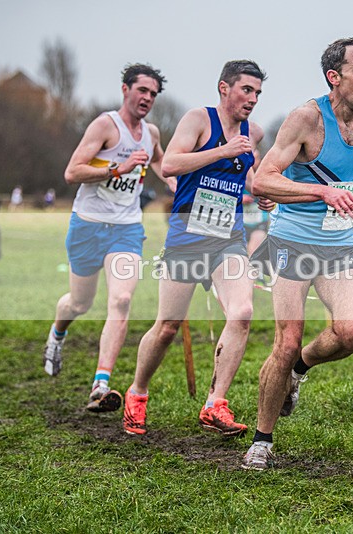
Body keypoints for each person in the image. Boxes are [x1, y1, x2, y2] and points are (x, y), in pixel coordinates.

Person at [242, 37, 353, 470]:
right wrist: (321, 192)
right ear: (334, 77)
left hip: (339, 245)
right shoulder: (306, 119)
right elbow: (263, 180)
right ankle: (262, 440)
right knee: (285, 342)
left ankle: (300, 369)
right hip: (293, 242)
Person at [123, 60, 270, 437]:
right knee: (167, 327)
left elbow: (247, 173)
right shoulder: (198, 120)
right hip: (188, 239)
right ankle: (137, 393)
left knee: (242, 312)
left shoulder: (253, 131)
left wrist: (261, 191)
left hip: (229, 240)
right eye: (246, 90)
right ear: (224, 88)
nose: (252, 99)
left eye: (257, 93)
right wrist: (221, 152)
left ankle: (214, 404)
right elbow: (170, 164)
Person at [43, 63, 171, 414]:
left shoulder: (151, 133)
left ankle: (101, 385)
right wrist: (118, 168)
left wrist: (179, 185)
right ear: (125, 89)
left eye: (153, 94)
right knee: (79, 303)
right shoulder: (105, 126)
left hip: (126, 228)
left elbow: (161, 164)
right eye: (142, 90)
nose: (147, 98)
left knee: (122, 299)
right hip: (88, 226)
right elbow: (72, 172)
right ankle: (57, 335)